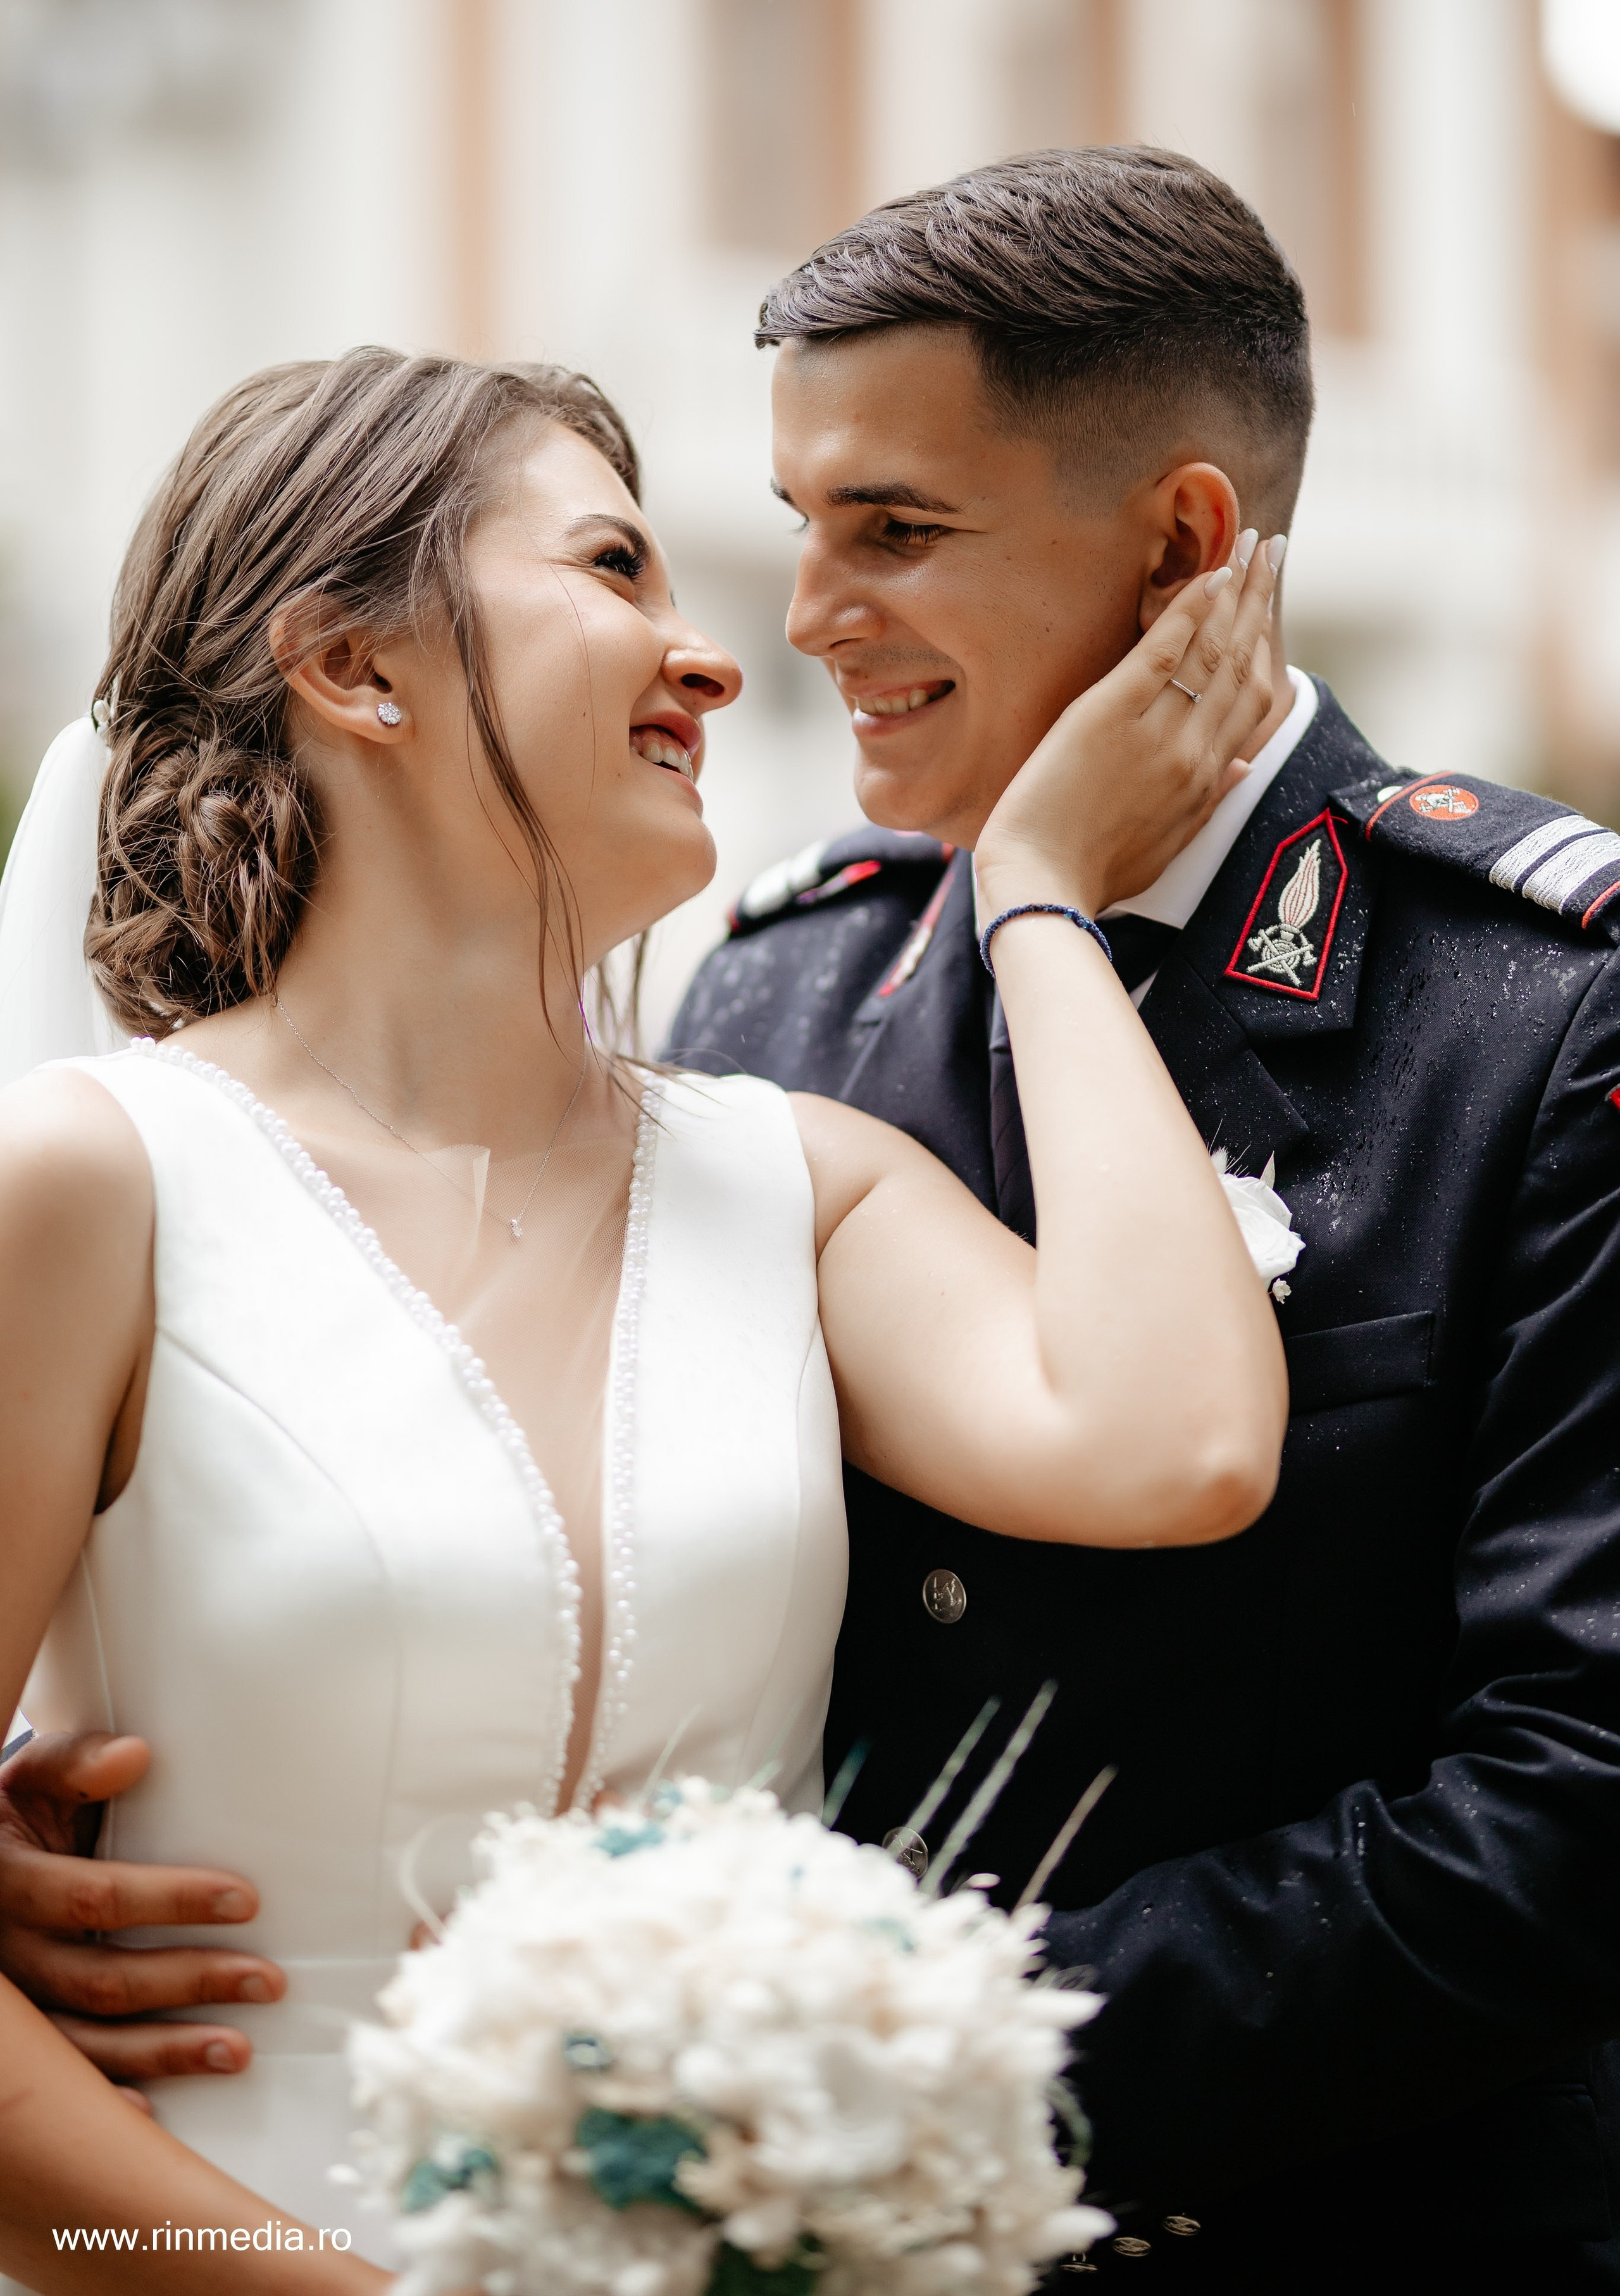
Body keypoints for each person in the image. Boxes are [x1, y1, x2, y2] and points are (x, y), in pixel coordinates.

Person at [0, 342, 1288, 2292]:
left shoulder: (803, 1185)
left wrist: (1033, 882)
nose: (711, 659)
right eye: (616, 570)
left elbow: (1178, 1445)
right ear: (355, 669)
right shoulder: (92, 1189)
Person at [663, 149, 1620, 2292]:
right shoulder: (780, 982)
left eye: (895, 532)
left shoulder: (1552, 1018)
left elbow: (1577, 1811)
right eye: (805, 526)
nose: (809, 616)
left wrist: (918, 2070)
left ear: (1187, 542)